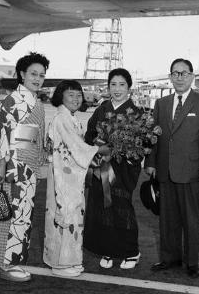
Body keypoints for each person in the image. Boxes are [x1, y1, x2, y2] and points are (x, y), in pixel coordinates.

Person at [145, 58, 199, 279]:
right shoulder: (162, 104)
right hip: (165, 171)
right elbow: (154, 138)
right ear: (170, 77)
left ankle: (191, 262)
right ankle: (170, 258)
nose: (179, 77)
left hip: (192, 172)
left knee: (190, 220)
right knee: (167, 219)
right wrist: (150, 164)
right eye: (175, 73)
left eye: (184, 73)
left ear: (192, 76)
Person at [0, 52, 50, 282]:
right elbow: (0, 133)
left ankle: (17, 261)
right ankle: (6, 264)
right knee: (13, 214)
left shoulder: (36, 101)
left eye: (42, 75)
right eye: (33, 74)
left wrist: (42, 156)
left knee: (24, 215)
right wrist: (0, 166)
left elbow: (38, 136)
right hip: (14, 165)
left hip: (30, 165)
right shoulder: (13, 100)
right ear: (22, 74)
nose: (38, 78)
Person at [43, 80, 110, 277]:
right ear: (61, 97)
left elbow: (75, 149)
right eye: (70, 94)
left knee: (71, 216)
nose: (75, 98)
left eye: (78, 95)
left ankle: (69, 259)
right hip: (63, 176)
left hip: (70, 174)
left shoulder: (70, 118)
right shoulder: (62, 119)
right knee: (66, 215)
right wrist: (99, 150)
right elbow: (75, 147)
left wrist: (92, 158)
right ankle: (61, 263)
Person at [83, 68, 143, 270]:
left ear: (129, 87)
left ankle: (131, 252)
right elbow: (90, 134)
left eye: (122, 84)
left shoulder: (136, 113)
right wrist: (98, 145)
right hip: (101, 166)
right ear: (108, 87)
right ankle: (107, 250)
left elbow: (141, 144)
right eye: (113, 84)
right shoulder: (102, 108)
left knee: (121, 209)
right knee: (101, 208)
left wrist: (119, 152)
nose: (117, 89)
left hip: (123, 170)